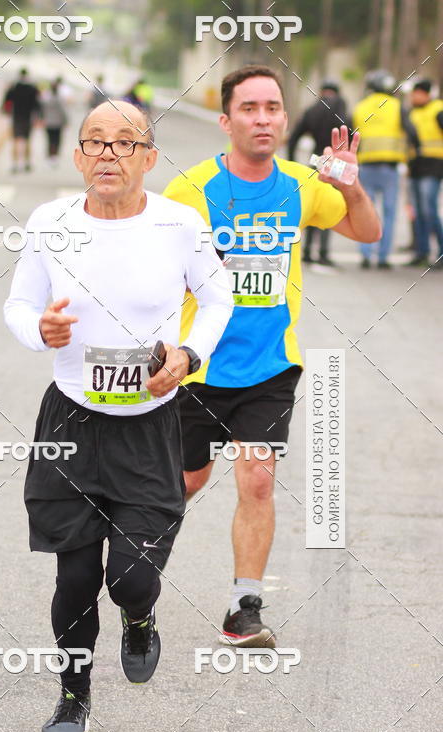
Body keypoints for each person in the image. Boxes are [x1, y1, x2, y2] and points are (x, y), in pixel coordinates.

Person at [4, 100, 233, 732]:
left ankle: (139, 614)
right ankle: (73, 699)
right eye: (95, 142)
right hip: (69, 420)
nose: (108, 153)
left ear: (148, 158)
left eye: (124, 142)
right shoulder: (51, 223)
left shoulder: (178, 224)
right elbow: (19, 304)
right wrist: (36, 330)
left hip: (151, 424)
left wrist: (190, 355)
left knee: (129, 576)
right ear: (78, 157)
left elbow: (220, 297)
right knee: (73, 577)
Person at [163, 65, 381, 649]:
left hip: (271, 365)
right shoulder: (190, 191)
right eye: (250, 108)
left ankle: (244, 609)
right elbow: (155, 271)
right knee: (184, 482)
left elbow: (368, 232)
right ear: (226, 119)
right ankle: (137, 582)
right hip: (201, 365)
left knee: (257, 480)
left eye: (272, 108)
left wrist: (351, 185)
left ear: (285, 119)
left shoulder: (301, 185)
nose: (262, 118)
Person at [352, 69, 419, 269]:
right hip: (390, 168)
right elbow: (412, 132)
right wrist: (414, 154)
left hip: (365, 167)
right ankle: (382, 258)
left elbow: (349, 132)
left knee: (365, 211)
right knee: (389, 213)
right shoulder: (398, 106)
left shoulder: (360, 107)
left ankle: (365, 254)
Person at [288, 80, 351, 265]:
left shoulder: (313, 109)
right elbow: (352, 133)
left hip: (316, 159)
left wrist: (292, 163)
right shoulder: (341, 106)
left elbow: (294, 138)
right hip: (336, 160)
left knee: (312, 205)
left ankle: (307, 251)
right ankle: (323, 252)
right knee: (330, 204)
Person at [406, 79, 443, 268]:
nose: (413, 97)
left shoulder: (438, 110)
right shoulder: (413, 113)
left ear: (425, 93)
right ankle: (422, 253)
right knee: (419, 213)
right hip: (416, 168)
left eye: (416, 93)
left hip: (434, 167)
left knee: (429, 211)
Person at [2, 68, 41, 174]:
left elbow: (6, 101)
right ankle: (27, 163)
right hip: (28, 117)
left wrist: (6, 112)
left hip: (16, 116)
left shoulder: (14, 87)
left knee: (15, 140)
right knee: (28, 140)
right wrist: (38, 117)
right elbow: (37, 104)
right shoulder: (32, 88)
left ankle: (14, 164)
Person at [40, 79, 68, 164]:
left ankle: (49, 155)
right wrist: (66, 120)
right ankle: (55, 156)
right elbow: (63, 111)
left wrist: (42, 119)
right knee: (57, 139)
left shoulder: (45, 98)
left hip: (48, 122)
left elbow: (42, 110)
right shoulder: (60, 98)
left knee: (49, 139)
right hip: (58, 122)